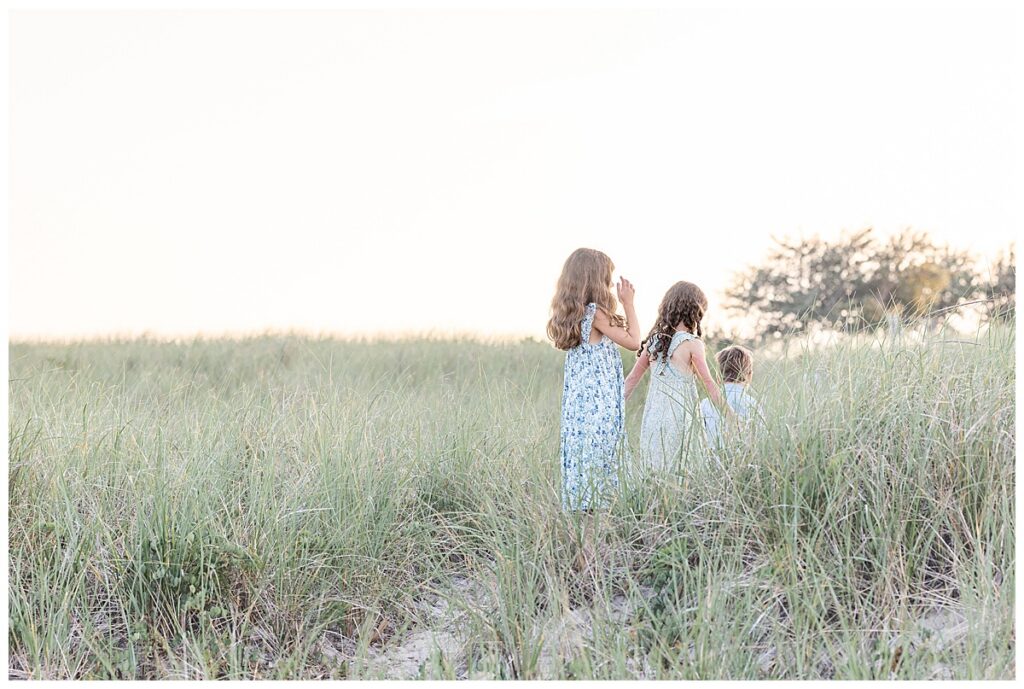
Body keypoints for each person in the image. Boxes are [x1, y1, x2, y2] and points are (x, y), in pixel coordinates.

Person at [547, 248, 641, 513]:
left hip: (578, 414)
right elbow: (634, 341)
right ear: (595, 280)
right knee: (601, 478)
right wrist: (629, 303)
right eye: (607, 278)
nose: (611, 285)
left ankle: (584, 545)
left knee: (584, 473)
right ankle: (592, 547)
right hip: (598, 412)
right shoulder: (595, 314)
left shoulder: (572, 317)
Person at [624, 281, 725, 472]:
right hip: (681, 417)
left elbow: (630, 381)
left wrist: (612, 410)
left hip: (654, 417)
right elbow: (709, 385)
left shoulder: (653, 343)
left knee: (656, 469)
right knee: (683, 469)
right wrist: (729, 414)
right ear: (696, 310)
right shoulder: (693, 343)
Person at [701, 345, 761, 453]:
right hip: (745, 464)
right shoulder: (753, 404)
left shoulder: (705, 404)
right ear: (749, 375)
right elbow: (760, 439)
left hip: (712, 464)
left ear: (718, 376)